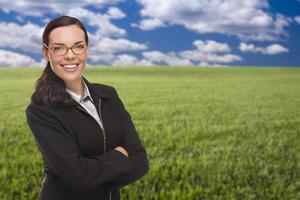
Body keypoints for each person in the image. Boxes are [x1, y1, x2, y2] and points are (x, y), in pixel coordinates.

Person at [25, 16, 149, 200]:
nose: (70, 55)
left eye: (78, 46)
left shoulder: (109, 95)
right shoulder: (41, 110)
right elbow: (79, 177)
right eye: (59, 48)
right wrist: (120, 156)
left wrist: (92, 178)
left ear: (86, 50)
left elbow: (140, 162)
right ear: (46, 53)